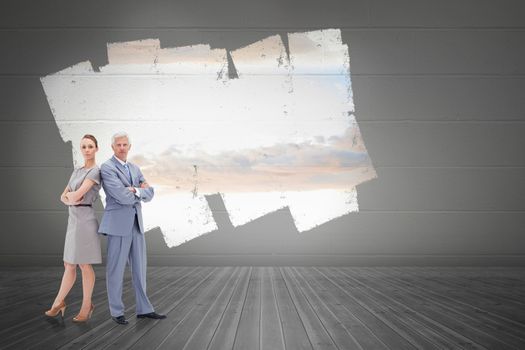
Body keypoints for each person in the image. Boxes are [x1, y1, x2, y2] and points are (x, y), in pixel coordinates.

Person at [98, 131, 166, 325]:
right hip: (118, 226)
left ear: (129, 146)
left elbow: (151, 193)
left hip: (136, 225)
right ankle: (116, 311)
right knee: (115, 270)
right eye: (118, 145)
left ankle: (144, 309)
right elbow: (120, 196)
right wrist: (139, 191)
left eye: (125, 144)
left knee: (139, 269)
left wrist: (135, 189)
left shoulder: (135, 168)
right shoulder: (107, 168)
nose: (122, 147)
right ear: (112, 147)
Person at [45, 134, 102, 322]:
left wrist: (70, 197)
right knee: (68, 264)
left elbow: (76, 195)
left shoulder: (95, 172)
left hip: (85, 220)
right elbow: (63, 195)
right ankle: (58, 303)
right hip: (73, 220)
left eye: (90, 146)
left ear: (96, 149)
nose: (87, 150)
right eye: (84, 146)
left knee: (84, 264)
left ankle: (87, 305)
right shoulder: (77, 171)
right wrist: (69, 198)